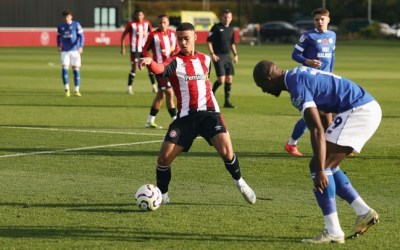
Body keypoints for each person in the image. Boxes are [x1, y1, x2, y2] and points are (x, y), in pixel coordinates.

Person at [253, 60, 381, 243]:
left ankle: (334, 232)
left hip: (358, 111)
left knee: (318, 165)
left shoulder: (296, 86)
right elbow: (323, 116)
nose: (263, 90)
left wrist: (320, 169)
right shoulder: (296, 75)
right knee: (330, 165)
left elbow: (316, 129)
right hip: (362, 108)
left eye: (261, 86)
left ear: (268, 79)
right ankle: (364, 212)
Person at [138, 22, 256, 205]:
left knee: (227, 152)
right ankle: (163, 194)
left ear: (194, 38)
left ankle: (240, 182)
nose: (183, 43)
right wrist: (149, 62)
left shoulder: (205, 60)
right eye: (179, 39)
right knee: (163, 158)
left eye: (186, 39)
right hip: (186, 117)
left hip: (209, 114)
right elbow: (160, 68)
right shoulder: (174, 61)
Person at [285, 8, 336, 156]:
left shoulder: (332, 35)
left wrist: (331, 73)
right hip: (310, 80)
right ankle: (332, 145)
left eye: (322, 19)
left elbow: (332, 55)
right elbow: (295, 54)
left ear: (328, 20)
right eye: (317, 19)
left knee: (320, 113)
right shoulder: (308, 36)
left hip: (326, 80)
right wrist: (308, 61)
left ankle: (292, 144)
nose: (319, 22)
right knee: (317, 113)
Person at [142, 14, 178, 129]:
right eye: (160, 23)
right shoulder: (153, 35)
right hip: (160, 69)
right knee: (169, 92)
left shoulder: (173, 34)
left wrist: (175, 53)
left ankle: (150, 120)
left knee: (161, 95)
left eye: (164, 22)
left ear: (168, 23)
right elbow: (145, 50)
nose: (162, 25)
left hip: (172, 68)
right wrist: (150, 63)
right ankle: (176, 121)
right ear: (157, 24)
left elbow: (177, 48)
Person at [120, 9, 157, 95]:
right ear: (135, 16)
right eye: (137, 15)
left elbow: (153, 35)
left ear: (143, 16)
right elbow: (123, 35)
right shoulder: (131, 24)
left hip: (145, 49)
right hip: (135, 49)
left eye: (140, 15)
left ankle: (154, 87)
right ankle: (129, 88)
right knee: (134, 68)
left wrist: (153, 47)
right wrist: (123, 48)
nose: (139, 16)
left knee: (150, 67)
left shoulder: (147, 23)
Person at [207, 9, 238, 108]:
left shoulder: (231, 29)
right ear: (222, 17)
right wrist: (212, 54)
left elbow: (232, 43)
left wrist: (235, 54)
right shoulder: (216, 27)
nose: (227, 19)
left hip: (227, 56)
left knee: (229, 79)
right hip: (218, 56)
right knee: (221, 80)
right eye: (225, 17)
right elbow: (209, 41)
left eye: (229, 17)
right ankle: (210, 96)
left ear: (231, 18)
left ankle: (226, 102)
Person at [57, 10, 84, 97]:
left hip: (75, 51)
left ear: (71, 17)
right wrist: (58, 45)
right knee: (64, 69)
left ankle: (76, 90)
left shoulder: (76, 24)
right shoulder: (60, 26)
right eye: (65, 17)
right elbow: (58, 37)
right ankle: (67, 89)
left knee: (76, 70)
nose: (66, 18)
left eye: (68, 17)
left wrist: (80, 46)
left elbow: (82, 36)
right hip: (65, 51)